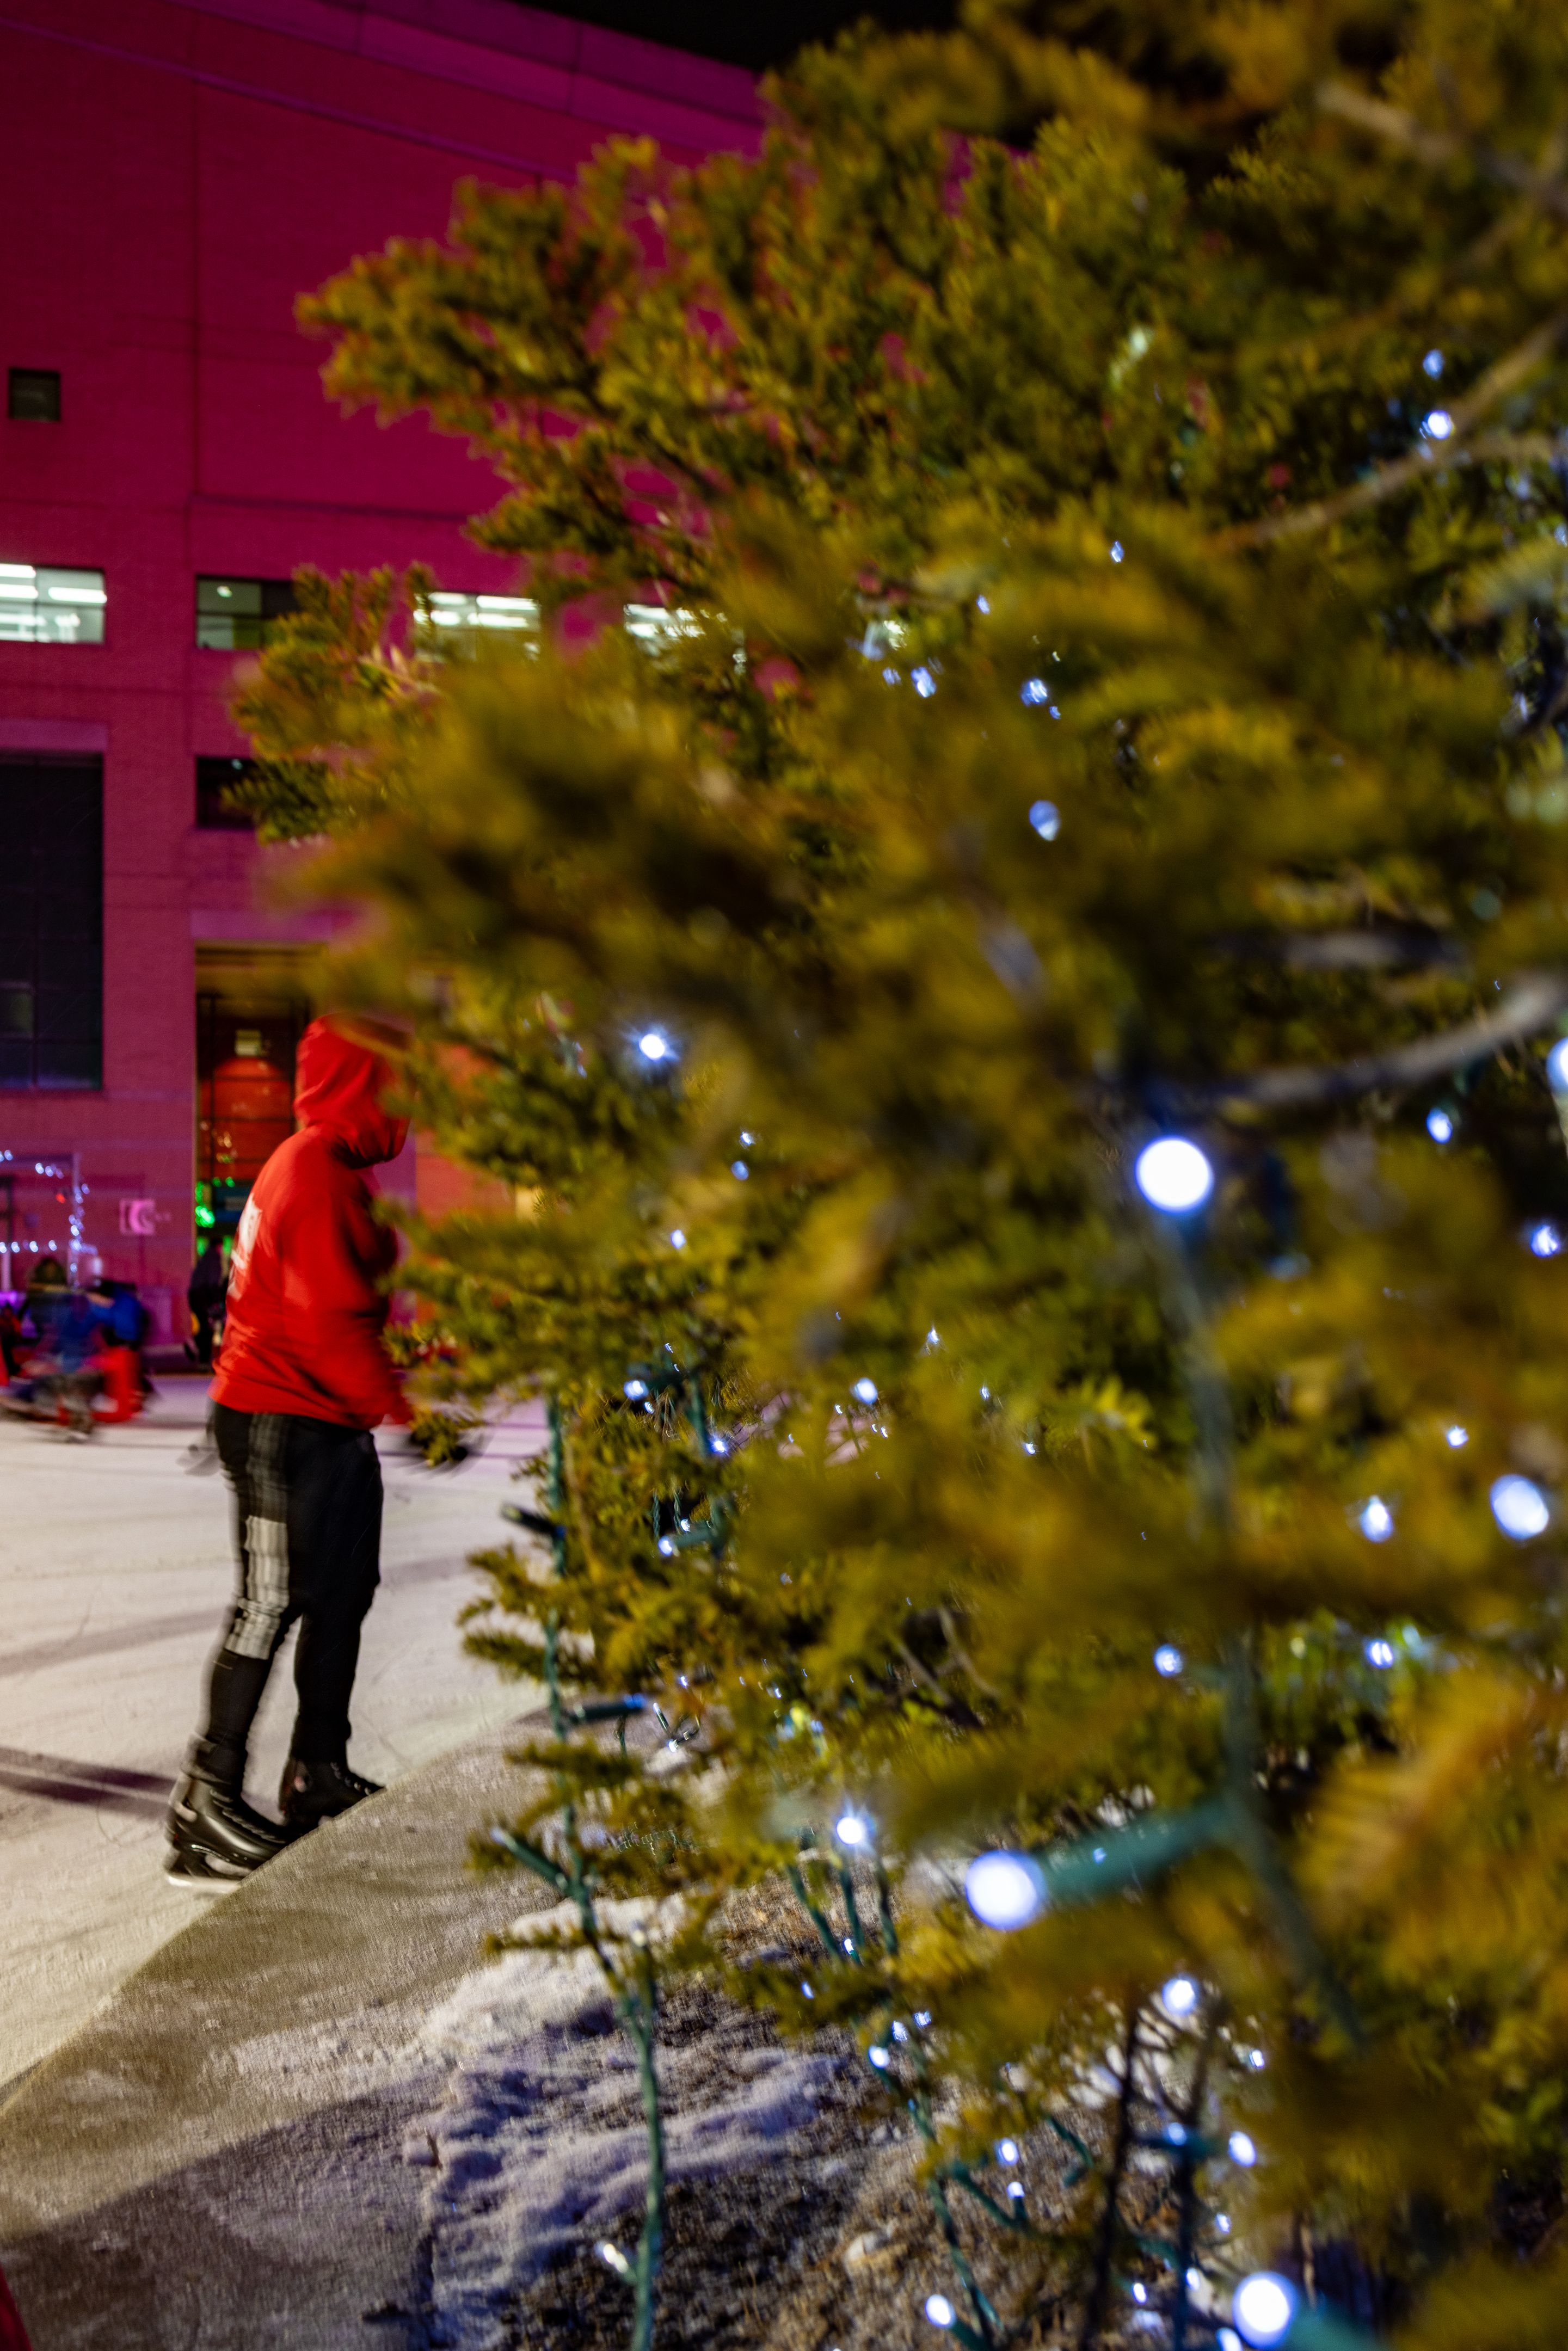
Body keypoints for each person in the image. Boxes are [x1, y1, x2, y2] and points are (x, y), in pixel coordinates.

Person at [165, 1017, 413, 1887]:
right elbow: (325, 1321)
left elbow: (347, 1310)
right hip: (280, 1420)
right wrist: (402, 1409)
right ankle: (205, 1804)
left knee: (342, 1592)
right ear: (364, 1087)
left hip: (326, 1421)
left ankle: (316, 1773)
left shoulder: (336, 1170)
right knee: (270, 1602)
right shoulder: (312, 1171)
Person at [187, 1237, 227, 1367]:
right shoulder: (214, 1260)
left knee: (203, 1326)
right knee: (207, 1328)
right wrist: (215, 1302)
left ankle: (195, 1346)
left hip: (195, 1296)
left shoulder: (204, 1259)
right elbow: (212, 1284)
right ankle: (204, 1358)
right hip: (203, 1297)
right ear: (219, 1246)